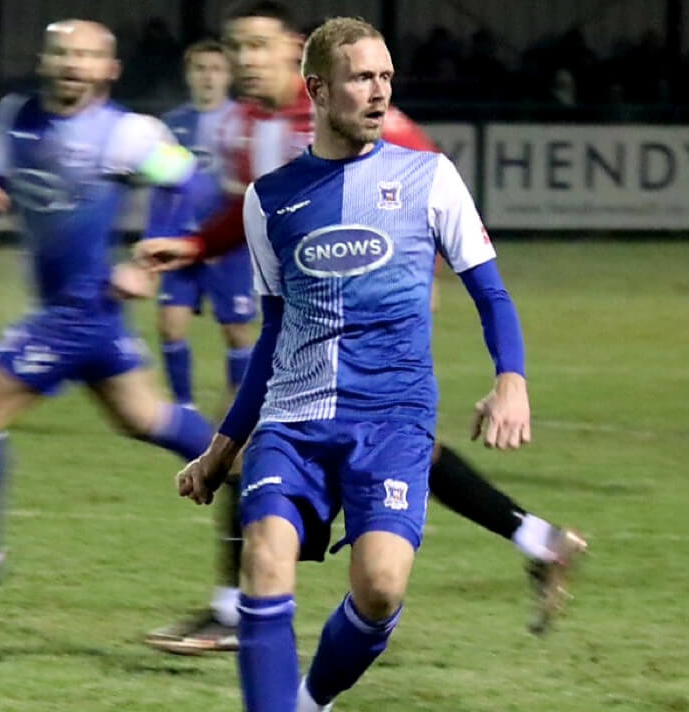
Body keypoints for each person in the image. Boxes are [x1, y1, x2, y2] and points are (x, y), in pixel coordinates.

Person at [176, 16, 534, 712]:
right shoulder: (272, 200)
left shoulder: (429, 178)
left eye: (386, 77)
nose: (379, 91)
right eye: (362, 78)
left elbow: (491, 292)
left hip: (393, 422)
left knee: (379, 588)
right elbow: (271, 335)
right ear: (318, 91)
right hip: (296, 422)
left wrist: (510, 379)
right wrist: (223, 446)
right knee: (265, 559)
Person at [140, 0, 584, 653]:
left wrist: (422, 277)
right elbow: (260, 207)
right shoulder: (258, 124)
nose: (244, 60)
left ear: (296, 52)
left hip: (379, 305)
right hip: (319, 310)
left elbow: (420, 181)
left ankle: (236, 612)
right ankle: (538, 539)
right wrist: (196, 246)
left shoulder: (359, 116)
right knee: (394, 445)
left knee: (278, 433)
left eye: (259, 46)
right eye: (236, 46)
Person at [0, 19, 214, 604]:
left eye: (87, 56)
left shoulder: (125, 133)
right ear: (44, 61)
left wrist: (148, 263)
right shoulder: (17, 114)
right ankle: (256, 470)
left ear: (109, 70)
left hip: (80, 308)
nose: (73, 64)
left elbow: (191, 185)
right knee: (145, 419)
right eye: (62, 53)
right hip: (76, 309)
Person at [146, 39, 257, 411]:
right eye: (200, 69)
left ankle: (237, 411)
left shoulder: (244, 122)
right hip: (180, 242)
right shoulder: (172, 125)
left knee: (237, 332)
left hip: (229, 246)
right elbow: (161, 189)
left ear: (228, 76)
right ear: (189, 75)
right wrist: (154, 236)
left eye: (215, 69)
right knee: (170, 325)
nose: (208, 76)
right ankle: (184, 408)